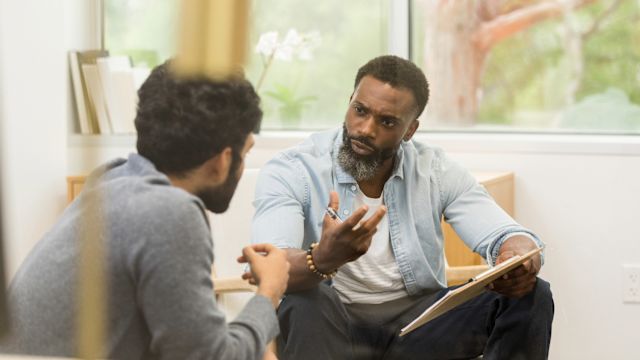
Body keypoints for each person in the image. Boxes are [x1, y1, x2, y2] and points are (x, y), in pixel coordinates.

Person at [251, 55, 554, 359]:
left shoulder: (435, 170)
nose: (366, 129)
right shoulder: (294, 169)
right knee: (303, 302)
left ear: (410, 130)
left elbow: (507, 235)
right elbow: (268, 263)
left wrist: (518, 258)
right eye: (360, 111)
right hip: (333, 323)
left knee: (531, 294)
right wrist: (323, 258)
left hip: (417, 327)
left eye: (387, 122)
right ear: (350, 102)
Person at [0, 61, 289, 359]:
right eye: (246, 152)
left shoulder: (112, 180)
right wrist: (269, 293)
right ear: (222, 161)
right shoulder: (169, 212)